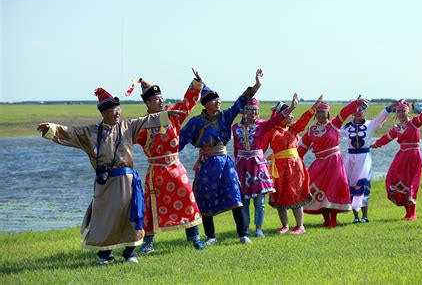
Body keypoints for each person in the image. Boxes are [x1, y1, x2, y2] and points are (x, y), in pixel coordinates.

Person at [37, 87, 172, 265]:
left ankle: (130, 253)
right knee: (104, 218)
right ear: (104, 112)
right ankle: (104, 256)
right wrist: (51, 128)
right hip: (105, 182)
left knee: (129, 216)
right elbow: (70, 132)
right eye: (112, 110)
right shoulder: (90, 132)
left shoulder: (128, 126)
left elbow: (150, 120)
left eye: (118, 109)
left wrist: (165, 113)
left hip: (127, 180)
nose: (117, 113)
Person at [179, 69, 263, 245]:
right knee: (205, 197)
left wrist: (256, 85)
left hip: (225, 162)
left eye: (219, 99)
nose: (219, 102)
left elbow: (241, 102)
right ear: (207, 103)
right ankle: (210, 236)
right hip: (207, 163)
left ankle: (243, 234)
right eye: (215, 99)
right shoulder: (195, 122)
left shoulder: (225, 116)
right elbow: (179, 140)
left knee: (235, 196)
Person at [131, 69, 205, 254]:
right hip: (156, 171)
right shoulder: (142, 123)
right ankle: (148, 243)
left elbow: (187, 104)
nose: (161, 100)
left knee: (188, 197)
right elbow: (124, 139)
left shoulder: (170, 115)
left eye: (161, 97)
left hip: (175, 167)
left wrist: (196, 84)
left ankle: (195, 239)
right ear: (148, 102)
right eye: (156, 99)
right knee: (151, 206)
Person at [232, 93, 298, 238]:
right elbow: (236, 148)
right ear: (244, 111)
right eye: (250, 109)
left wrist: (292, 107)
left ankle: (259, 229)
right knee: (244, 201)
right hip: (242, 165)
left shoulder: (262, 125)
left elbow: (278, 118)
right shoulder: (235, 127)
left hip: (257, 164)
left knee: (259, 201)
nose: (253, 112)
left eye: (255, 109)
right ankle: (246, 229)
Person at [298, 96, 368, 228]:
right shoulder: (311, 130)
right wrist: (290, 159)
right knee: (316, 188)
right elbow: (301, 150)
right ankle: (326, 219)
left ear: (327, 113)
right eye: (318, 112)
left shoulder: (334, 125)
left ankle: (333, 219)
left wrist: (355, 103)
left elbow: (344, 112)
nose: (320, 115)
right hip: (319, 163)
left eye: (322, 112)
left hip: (334, 162)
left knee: (333, 189)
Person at [370, 100, 422, 220]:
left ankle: (412, 213)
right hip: (401, 156)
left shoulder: (414, 123)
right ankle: (407, 212)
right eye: (398, 111)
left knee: (411, 183)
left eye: (403, 111)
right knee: (392, 177)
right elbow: (387, 138)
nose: (400, 113)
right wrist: (376, 144)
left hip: (414, 155)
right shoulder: (397, 128)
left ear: (407, 112)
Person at [262, 98, 320, 235]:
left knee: (296, 194)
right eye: (288, 114)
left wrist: (313, 108)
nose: (292, 116)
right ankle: (285, 226)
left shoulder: (294, 128)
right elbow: (262, 148)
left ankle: (300, 226)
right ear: (280, 116)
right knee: (280, 194)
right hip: (279, 168)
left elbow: (304, 120)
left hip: (295, 167)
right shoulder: (271, 130)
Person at [340, 102, 396, 223]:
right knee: (352, 186)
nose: (358, 113)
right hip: (350, 158)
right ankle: (356, 217)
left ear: (364, 112)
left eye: (360, 110)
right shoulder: (347, 127)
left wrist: (391, 106)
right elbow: (333, 133)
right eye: (356, 110)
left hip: (364, 157)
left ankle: (365, 216)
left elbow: (381, 116)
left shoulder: (370, 124)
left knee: (363, 184)